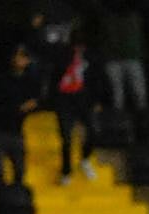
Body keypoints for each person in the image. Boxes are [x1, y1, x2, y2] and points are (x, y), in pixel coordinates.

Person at [0, 44, 41, 188]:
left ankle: (15, 197)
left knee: (20, 171)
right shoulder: (1, 79)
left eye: (24, 56)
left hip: (16, 131)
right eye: (17, 55)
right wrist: (20, 108)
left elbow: (36, 101)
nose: (20, 59)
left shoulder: (29, 81)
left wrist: (29, 107)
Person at [53, 28, 101, 185]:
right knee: (66, 137)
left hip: (83, 99)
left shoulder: (91, 56)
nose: (79, 48)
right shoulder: (62, 54)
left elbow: (96, 78)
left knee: (94, 131)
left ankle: (85, 159)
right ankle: (66, 171)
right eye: (76, 45)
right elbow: (55, 75)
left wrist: (96, 100)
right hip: (65, 100)